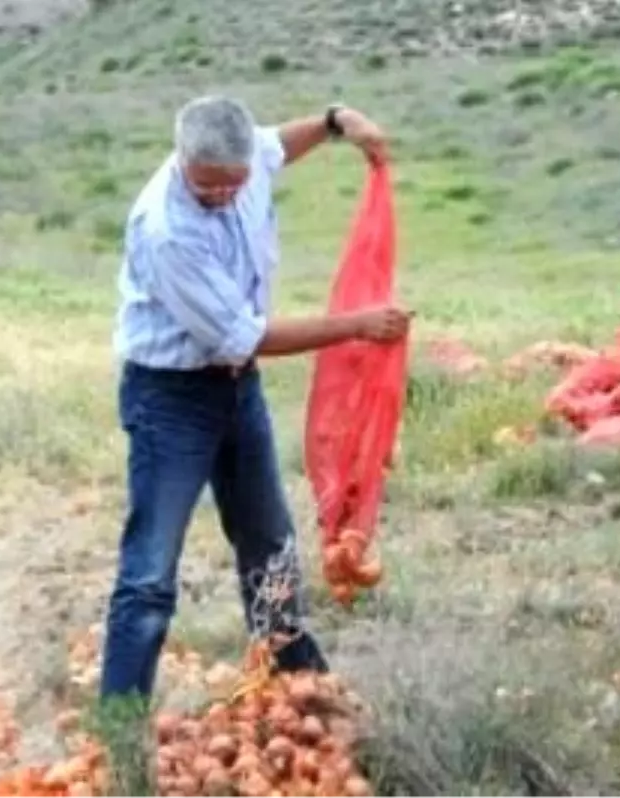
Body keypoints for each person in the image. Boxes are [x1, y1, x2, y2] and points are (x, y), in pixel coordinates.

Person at [100, 95, 412, 705]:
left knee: (270, 544)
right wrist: (354, 325)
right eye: (206, 184)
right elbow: (247, 337)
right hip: (170, 399)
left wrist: (331, 123)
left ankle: (295, 686)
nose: (221, 194)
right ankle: (119, 724)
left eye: (233, 184)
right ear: (182, 159)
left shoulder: (247, 162)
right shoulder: (167, 231)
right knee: (151, 569)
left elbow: (274, 147)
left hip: (235, 391)